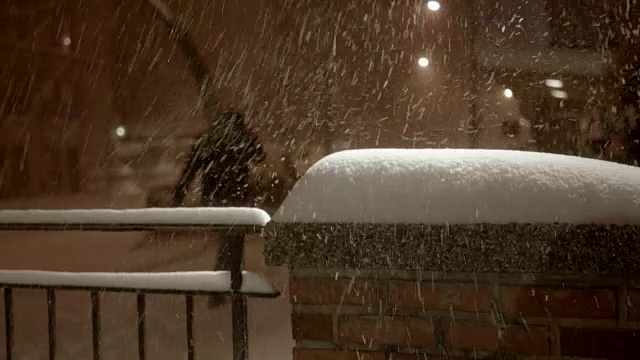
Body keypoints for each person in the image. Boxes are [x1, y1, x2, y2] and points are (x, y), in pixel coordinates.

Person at [172, 111, 266, 306]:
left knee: (230, 241)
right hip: (236, 198)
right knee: (232, 243)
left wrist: (181, 191)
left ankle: (229, 286)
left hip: (215, 198)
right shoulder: (240, 139)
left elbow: (192, 166)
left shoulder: (209, 140)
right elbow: (259, 155)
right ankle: (227, 287)